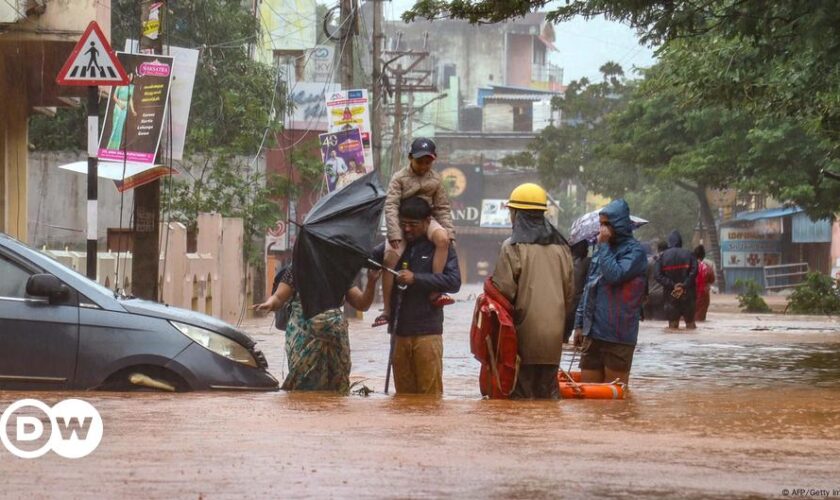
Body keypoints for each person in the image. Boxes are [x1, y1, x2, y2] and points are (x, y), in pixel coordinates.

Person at [371, 196, 461, 395]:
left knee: (430, 398)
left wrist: (416, 279)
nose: (408, 229)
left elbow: (453, 282)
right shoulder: (393, 247)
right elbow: (367, 258)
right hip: (398, 333)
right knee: (402, 398)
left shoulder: (441, 247)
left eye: (413, 224)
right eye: (403, 224)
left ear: (428, 221)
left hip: (428, 333)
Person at [491, 183, 574, 399]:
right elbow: (570, 294)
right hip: (553, 340)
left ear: (517, 214)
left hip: (521, 338)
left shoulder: (512, 247)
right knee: (547, 400)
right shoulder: (563, 248)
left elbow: (503, 293)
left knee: (521, 401)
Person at [253, 265, 381, 393]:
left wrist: (371, 282)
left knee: (336, 388)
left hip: (335, 336)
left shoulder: (339, 270)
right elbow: (279, 297)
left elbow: (362, 303)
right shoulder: (297, 268)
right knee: (301, 385)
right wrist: (270, 303)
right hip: (303, 335)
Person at [373, 137, 456, 328]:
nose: (423, 166)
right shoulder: (399, 178)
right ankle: (386, 309)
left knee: (443, 239)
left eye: (428, 162)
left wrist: (450, 232)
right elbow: (391, 205)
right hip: (404, 223)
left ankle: (436, 291)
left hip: (427, 221)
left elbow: (442, 207)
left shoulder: (436, 179)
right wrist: (393, 232)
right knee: (389, 258)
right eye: (420, 161)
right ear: (410, 158)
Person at [573, 199, 647, 386]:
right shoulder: (599, 251)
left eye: (607, 224)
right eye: (601, 224)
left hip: (618, 336)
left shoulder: (635, 252)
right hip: (593, 334)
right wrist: (579, 324)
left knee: (613, 401)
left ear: (619, 224)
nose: (603, 229)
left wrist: (604, 246)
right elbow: (589, 288)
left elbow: (615, 275)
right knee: (588, 396)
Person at [655, 230, 698, 330]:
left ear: (669, 242)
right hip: (688, 294)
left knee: (673, 326)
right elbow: (694, 271)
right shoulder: (689, 254)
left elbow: (657, 275)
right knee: (690, 324)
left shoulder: (662, 257)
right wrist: (684, 284)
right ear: (681, 242)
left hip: (671, 295)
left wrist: (672, 285)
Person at [564, 240, 591, 343]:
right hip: (577, 304)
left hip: (563, 303)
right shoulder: (587, 262)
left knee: (562, 337)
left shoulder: (564, 260)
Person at [106, 72, 136, 150]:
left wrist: (133, 110)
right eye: (129, 75)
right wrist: (120, 104)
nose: (130, 77)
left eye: (131, 76)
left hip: (125, 108)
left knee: (120, 128)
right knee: (115, 127)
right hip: (118, 107)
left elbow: (130, 99)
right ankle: (110, 147)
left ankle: (116, 148)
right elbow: (114, 96)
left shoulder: (132, 87)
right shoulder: (120, 84)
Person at [644, 240, 669, 321]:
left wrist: (644, 295)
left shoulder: (649, 261)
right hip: (664, 295)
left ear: (658, 249)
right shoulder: (669, 261)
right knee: (661, 321)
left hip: (650, 295)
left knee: (648, 321)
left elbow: (645, 279)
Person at [694, 244, 715, 322]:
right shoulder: (708, 267)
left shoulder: (689, 266)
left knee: (688, 320)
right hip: (703, 296)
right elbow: (712, 280)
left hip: (690, 295)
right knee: (700, 320)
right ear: (703, 256)